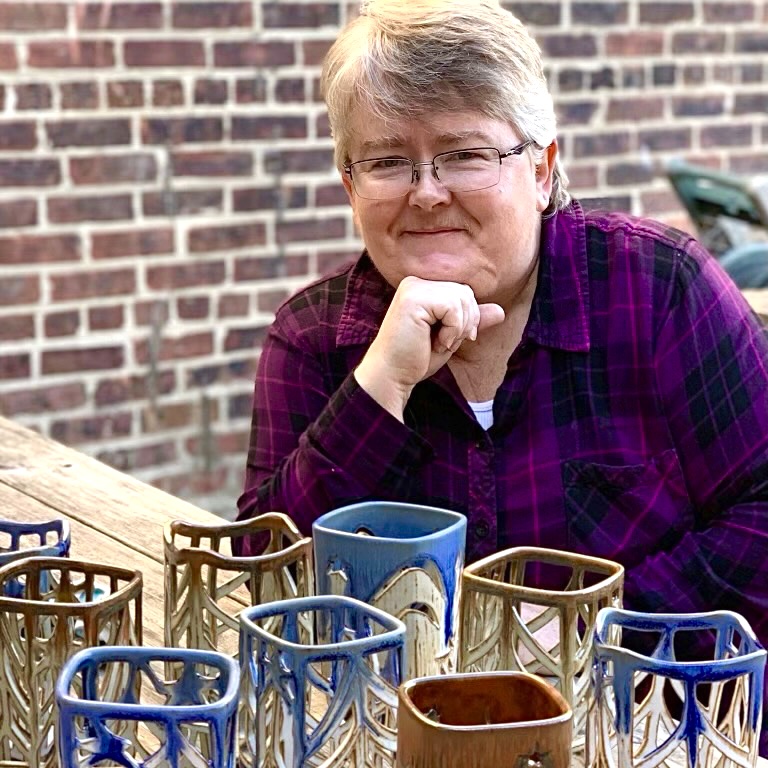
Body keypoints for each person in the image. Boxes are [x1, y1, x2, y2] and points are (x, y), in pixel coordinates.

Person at [236, 0, 768, 752]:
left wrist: (588, 635)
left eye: (465, 154)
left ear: (542, 170)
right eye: (387, 161)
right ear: (350, 185)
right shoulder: (315, 340)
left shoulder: (658, 290)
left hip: (662, 737)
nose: (427, 191)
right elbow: (265, 585)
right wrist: (379, 389)